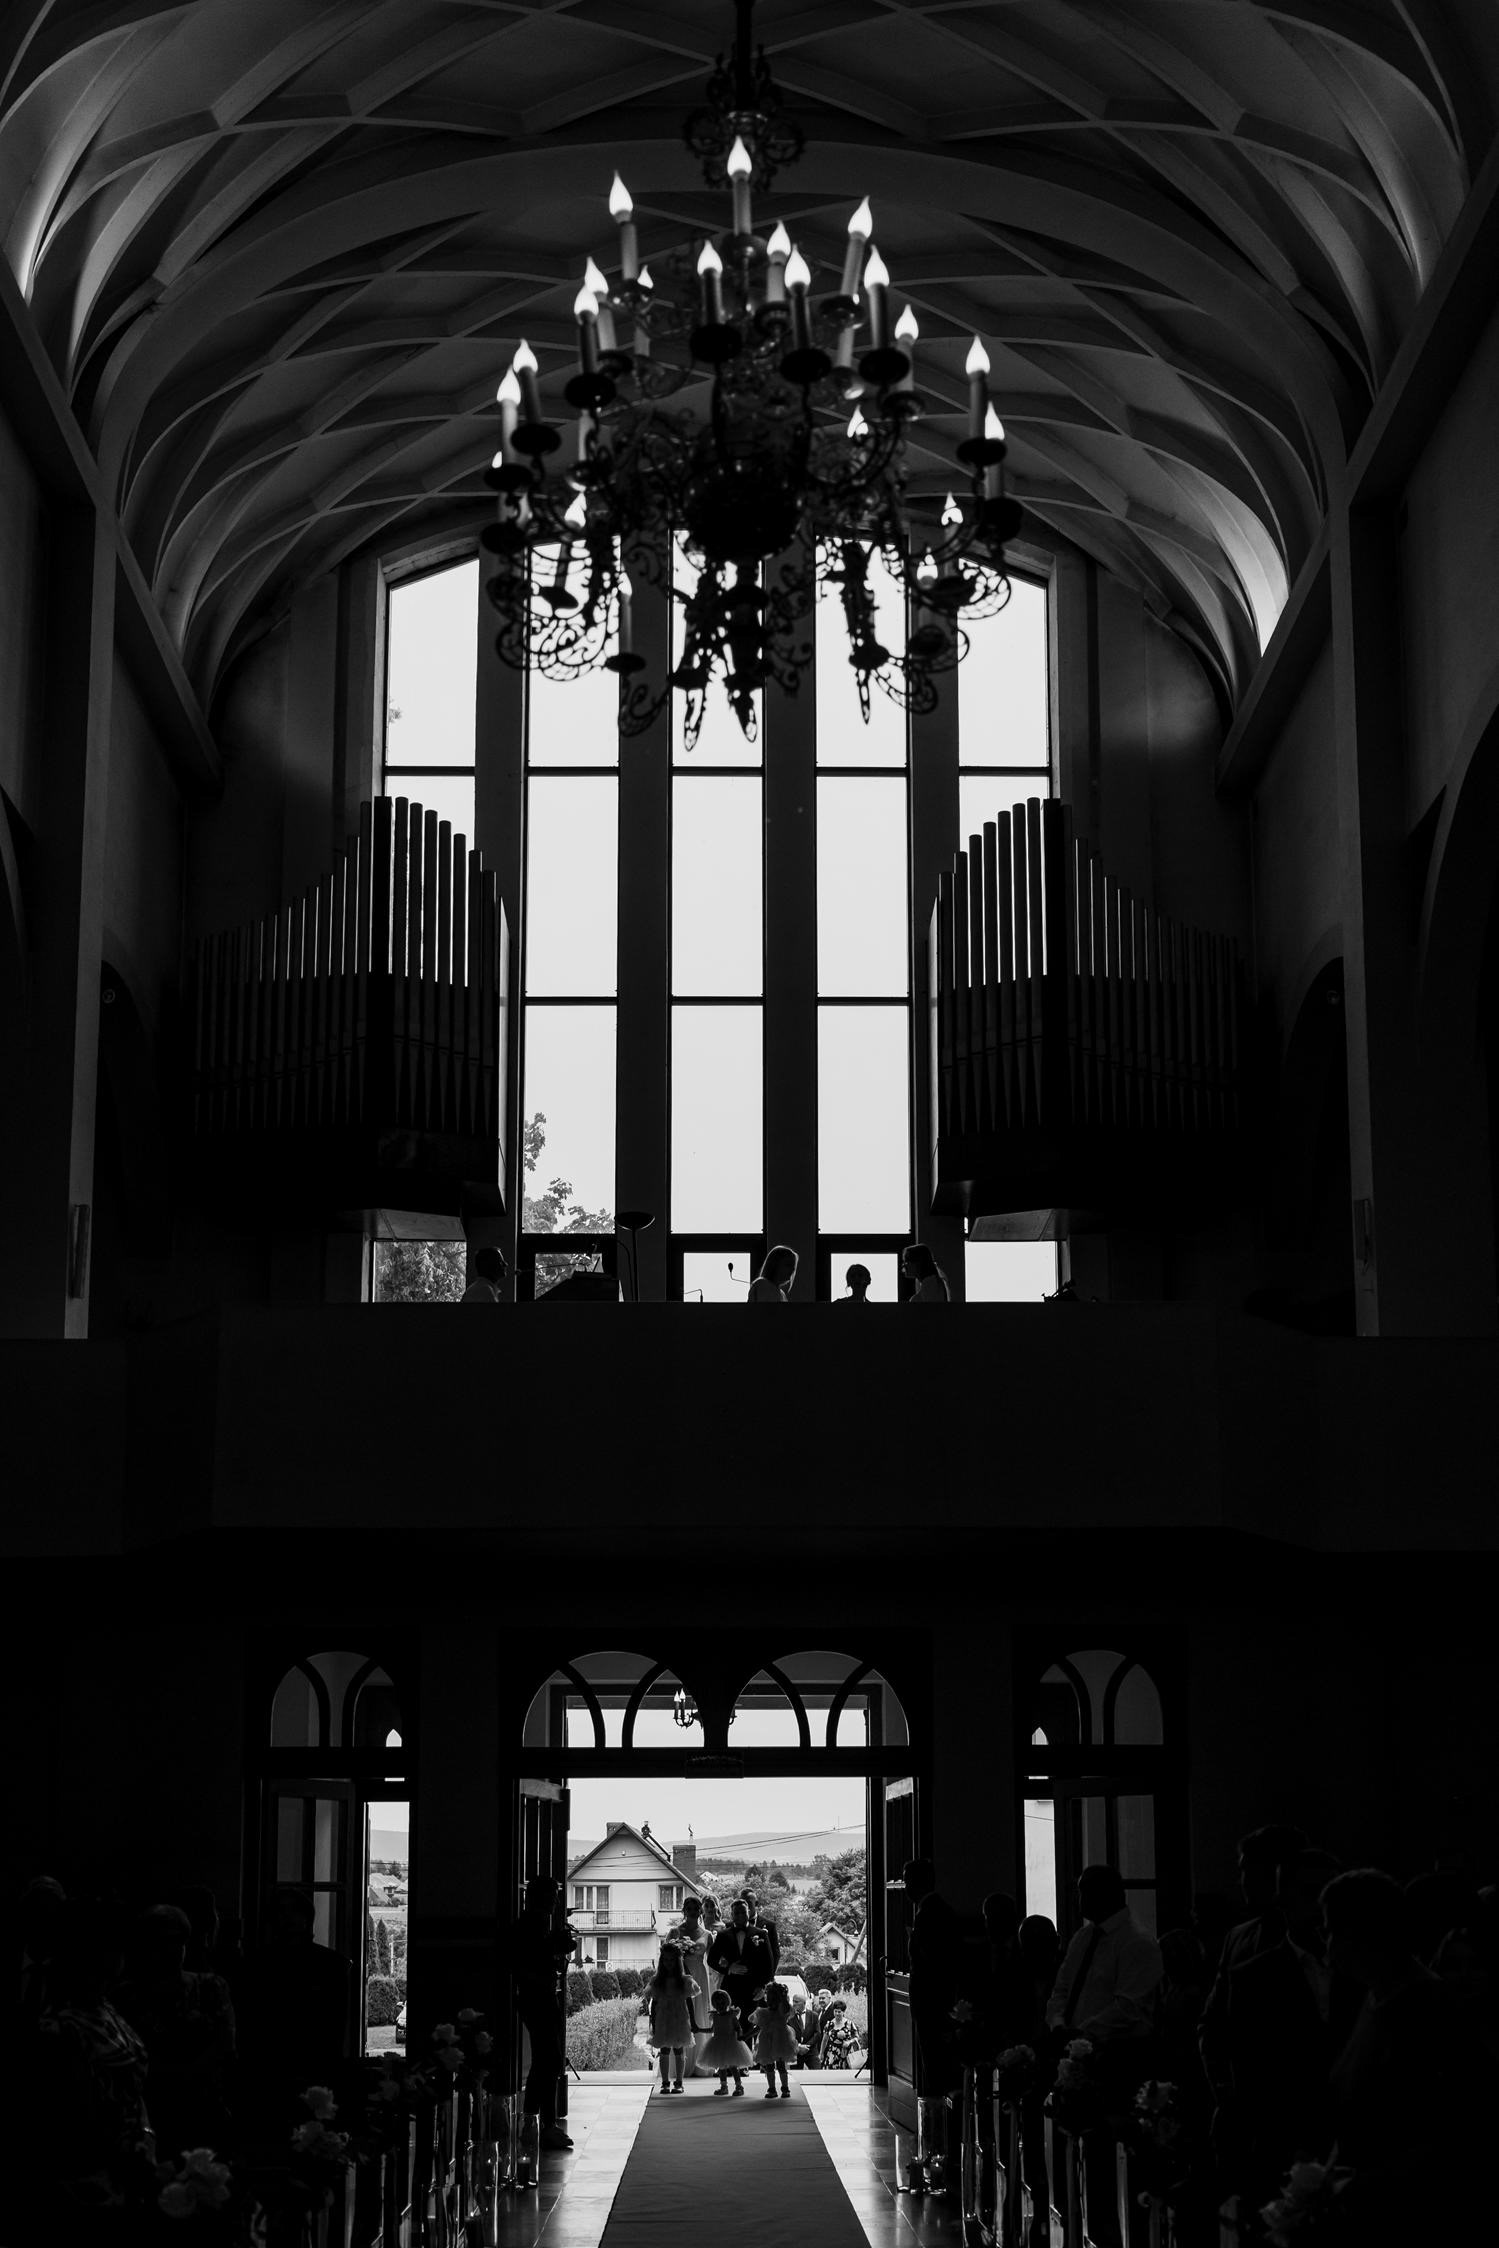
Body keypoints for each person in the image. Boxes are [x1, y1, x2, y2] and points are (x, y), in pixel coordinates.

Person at [1323, 1868, 1493, 2244]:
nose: (1327, 1943)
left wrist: (1362, 2182)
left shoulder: (1431, 2010)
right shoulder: (1371, 1998)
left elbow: (1457, 2133)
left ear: (1361, 1935)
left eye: (1332, 1930)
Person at [1215, 1847, 1356, 2202]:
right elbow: (1251, 2076)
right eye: (1310, 1893)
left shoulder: (1363, 1972)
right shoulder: (1252, 1978)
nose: (1322, 1907)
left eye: (1330, 1895)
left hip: (1357, 2151)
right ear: (1283, 1899)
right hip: (1281, 2154)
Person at [1199, 1822, 1307, 2151]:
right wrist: (1223, 2088)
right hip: (1239, 2109)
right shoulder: (1239, 1937)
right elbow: (1212, 2022)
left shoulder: (1318, 1941)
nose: (1241, 1881)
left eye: (1247, 1870)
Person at [115, 1902, 236, 2158]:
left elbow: (225, 2044)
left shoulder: (209, 1987)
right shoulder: (126, 1995)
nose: (170, 1950)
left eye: (177, 1941)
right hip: (151, 2108)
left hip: (204, 2108)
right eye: (160, 1942)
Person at [1045, 1865, 1162, 2090]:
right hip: (1075, 2053)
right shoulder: (1083, 1938)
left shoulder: (1137, 1943)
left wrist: (1080, 2033)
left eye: (1085, 1892)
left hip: (1117, 2059)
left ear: (1106, 1895)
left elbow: (1129, 2008)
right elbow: (1061, 1989)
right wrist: (1058, 2025)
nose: (1079, 1900)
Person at [510, 1876, 577, 2149]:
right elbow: (528, 1962)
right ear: (539, 1898)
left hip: (540, 1995)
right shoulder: (529, 1926)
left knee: (547, 2060)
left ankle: (538, 2123)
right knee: (548, 2060)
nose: (555, 1903)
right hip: (536, 1997)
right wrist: (556, 1948)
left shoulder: (534, 1924)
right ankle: (540, 2124)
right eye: (552, 1897)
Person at [904, 1858, 964, 2093]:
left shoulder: (930, 1913)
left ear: (919, 1882)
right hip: (934, 2000)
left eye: (908, 1881)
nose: (905, 1887)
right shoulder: (934, 1909)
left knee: (935, 2060)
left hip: (932, 2001)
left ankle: (938, 2108)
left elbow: (935, 1960)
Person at [707, 1899, 776, 2038]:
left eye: (743, 1912)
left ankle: (747, 2052)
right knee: (728, 2029)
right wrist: (729, 1968)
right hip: (730, 1990)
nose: (740, 1915)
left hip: (752, 1991)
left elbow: (769, 1964)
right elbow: (711, 1960)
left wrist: (762, 1986)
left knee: (748, 2030)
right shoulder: (723, 1935)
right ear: (731, 1914)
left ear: (748, 1913)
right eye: (736, 1913)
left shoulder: (760, 1934)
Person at [645, 1942, 702, 2095]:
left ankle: (679, 2082)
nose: (668, 1963)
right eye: (665, 1960)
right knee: (664, 2048)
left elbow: (689, 2001)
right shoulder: (657, 1981)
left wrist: (693, 2021)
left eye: (672, 1960)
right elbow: (654, 2002)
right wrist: (654, 2023)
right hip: (663, 2017)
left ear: (677, 1961)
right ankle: (665, 2083)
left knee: (678, 2048)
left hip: (680, 2017)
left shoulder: (684, 1980)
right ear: (661, 1961)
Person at [665, 1894, 712, 2075]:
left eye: (695, 1909)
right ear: (684, 1911)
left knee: (699, 2013)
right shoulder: (674, 1932)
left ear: (700, 1911)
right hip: (680, 1976)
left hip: (699, 1976)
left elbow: (713, 1961)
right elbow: (666, 1957)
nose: (692, 1912)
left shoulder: (707, 1935)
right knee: (681, 2014)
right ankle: (679, 2064)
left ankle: (700, 2064)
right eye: (689, 1909)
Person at [701, 1987, 751, 2094]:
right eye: (717, 2004)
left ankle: (739, 2086)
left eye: (722, 2003)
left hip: (730, 2043)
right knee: (721, 2067)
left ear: (727, 2003)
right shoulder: (715, 2016)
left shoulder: (731, 2015)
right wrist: (699, 2030)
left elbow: (738, 2028)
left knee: (733, 2067)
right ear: (714, 2005)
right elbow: (712, 2030)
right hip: (718, 2043)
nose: (720, 2006)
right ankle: (724, 2086)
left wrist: (740, 2036)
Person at [753, 1979, 797, 2098]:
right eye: (768, 1997)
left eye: (772, 1998)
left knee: (780, 2064)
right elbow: (758, 2027)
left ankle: (784, 2088)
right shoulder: (763, 2012)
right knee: (769, 2065)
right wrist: (746, 2035)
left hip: (780, 2040)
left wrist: (782, 1997)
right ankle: (772, 2089)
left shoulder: (783, 2010)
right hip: (768, 2040)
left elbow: (787, 2008)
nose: (769, 2000)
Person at [742, 1888, 781, 1972]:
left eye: (748, 1903)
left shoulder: (770, 1926)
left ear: (756, 1904)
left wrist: (769, 1976)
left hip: (761, 1977)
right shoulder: (730, 1926)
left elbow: (775, 1954)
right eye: (743, 1904)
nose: (746, 1908)